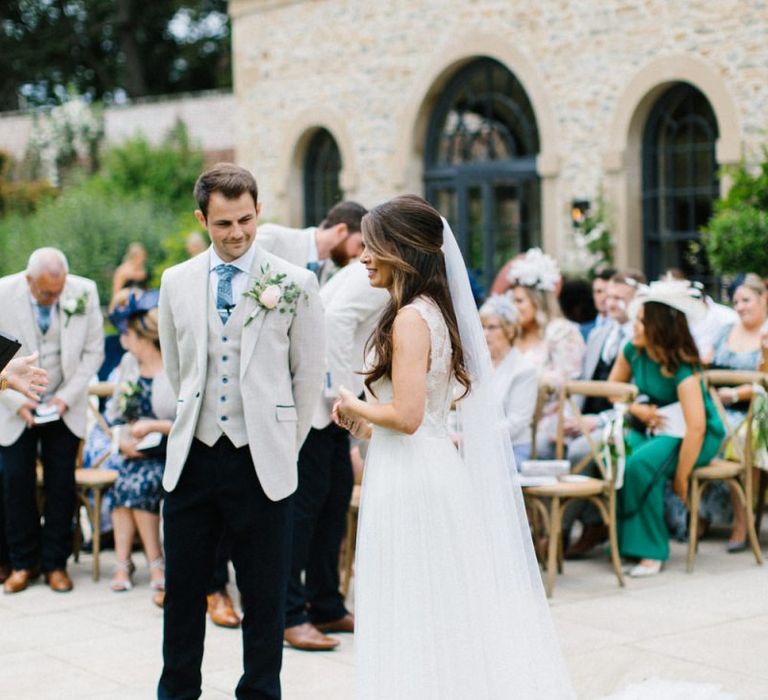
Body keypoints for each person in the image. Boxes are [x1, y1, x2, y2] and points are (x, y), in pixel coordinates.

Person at [333, 195, 574, 699]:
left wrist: (354, 405)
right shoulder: (429, 313)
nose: (363, 258)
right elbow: (414, 419)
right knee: (435, 604)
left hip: (414, 479)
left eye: (373, 247)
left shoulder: (409, 319)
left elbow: (408, 414)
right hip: (426, 465)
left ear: (404, 250)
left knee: (414, 602)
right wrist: (367, 426)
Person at [157, 163, 325, 700]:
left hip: (263, 462)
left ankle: (259, 693)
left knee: (264, 593)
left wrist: (279, 445)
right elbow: (177, 367)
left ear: (258, 212)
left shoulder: (295, 283)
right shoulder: (175, 282)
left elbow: (307, 379)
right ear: (202, 218)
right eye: (223, 223)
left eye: (246, 220)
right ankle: (178, 693)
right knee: (184, 591)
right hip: (194, 458)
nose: (236, 234)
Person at [0, 248, 104, 594]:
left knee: (62, 485)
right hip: (15, 406)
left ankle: (56, 563)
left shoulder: (85, 292)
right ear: (29, 280)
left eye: (58, 292)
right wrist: (18, 402)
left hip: (65, 403)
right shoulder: (3, 292)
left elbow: (94, 352)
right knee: (16, 483)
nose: (53, 298)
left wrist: (64, 398)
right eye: (46, 293)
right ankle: (23, 563)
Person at [607, 279, 725, 577]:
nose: (634, 327)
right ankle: (621, 543)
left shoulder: (683, 368)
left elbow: (697, 427)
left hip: (696, 435)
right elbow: (611, 388)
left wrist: (682, 479)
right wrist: (637, 409)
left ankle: (651, 552)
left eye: (642, 322)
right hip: (657, 425)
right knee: (613, 454)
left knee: (639, 466)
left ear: (659, 327)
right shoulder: (633, 350)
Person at [678, 273, 768, 552]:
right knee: (694, 430)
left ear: (763, 299)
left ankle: (743, 520)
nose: (740, 307)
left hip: (755, 411)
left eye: (746, 300)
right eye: (736, 301)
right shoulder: (725, 330)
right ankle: (700, 512)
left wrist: (736, 393)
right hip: (717, 408)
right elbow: (704, 364)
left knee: (738, 440)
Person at [563, 269, 646, 558]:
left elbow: (641, 395)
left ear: (636, 302)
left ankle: (562, 530)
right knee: (550, 441)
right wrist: (568, 416)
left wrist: (596, 421)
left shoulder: (641, 337)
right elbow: (581, 383)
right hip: (587, 415)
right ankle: (580, 522)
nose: (611, 303)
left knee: (578, 451)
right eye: (608, 296)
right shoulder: (599, 335)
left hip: (623, 420)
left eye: (620, 298)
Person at [104, 290, 174, 594]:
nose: (123, 339)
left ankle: (153, 561)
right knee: (123, 480)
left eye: (127, 333)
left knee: (140, 483)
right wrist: (122, 443)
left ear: (143, 336)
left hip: (167, 453)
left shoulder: (173, 369)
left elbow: (187, 420)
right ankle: (127, 563)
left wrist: (153, 426)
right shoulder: (128, 365)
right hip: (135, 453)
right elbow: (113, 414)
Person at [507, 248, 586, 456]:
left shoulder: (561, 332)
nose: (513, 307)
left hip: (547, 419)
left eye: (519, 301)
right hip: (509, 414)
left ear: (538, 300)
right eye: (512, 300)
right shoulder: (511, 336)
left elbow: (568, 383)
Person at [479, 293, 538, 465]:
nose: (484, 333)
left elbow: (516, 422)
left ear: (510, 330)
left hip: (511, 449)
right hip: (476, 446)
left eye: (491, 327)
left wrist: (474, 438)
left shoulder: (523, 370)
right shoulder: (478, 365)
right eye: (481, 327)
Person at [257, 201, 365, 286]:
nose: (361, 254)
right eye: (361, 244)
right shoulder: (273, 237)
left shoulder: (331, 269)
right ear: (341, 230)